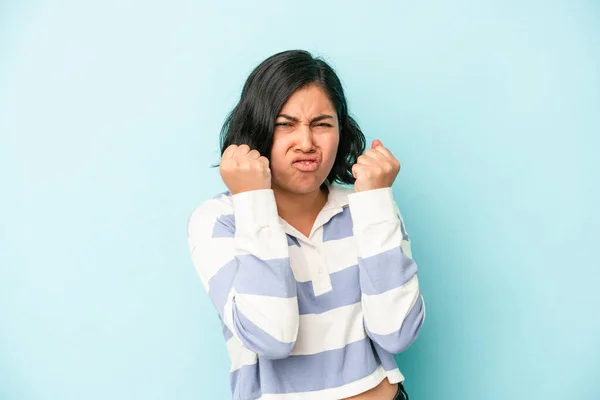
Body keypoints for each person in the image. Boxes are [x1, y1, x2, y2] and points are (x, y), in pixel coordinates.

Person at [187, 49, 425, 400]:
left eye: (322, 124)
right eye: (286, 124)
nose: (306, 143)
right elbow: (272, 337)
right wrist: (253, 201)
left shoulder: (368, 206)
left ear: (340, 131)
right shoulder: (219, 221)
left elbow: (397, 333)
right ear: (258, 129)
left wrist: (376, 203)